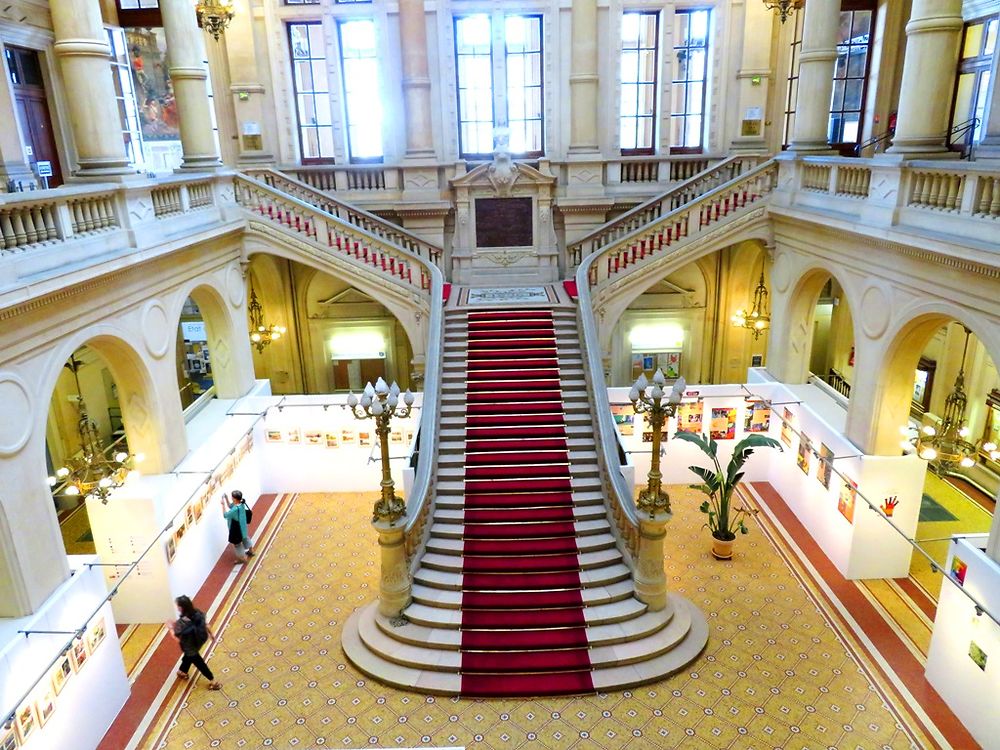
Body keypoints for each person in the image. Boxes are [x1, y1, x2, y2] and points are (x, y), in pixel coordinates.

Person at [167, 595, 221, 690]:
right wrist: (212, 635)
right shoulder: (198, 613)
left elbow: (177, 638)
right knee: (188, 657)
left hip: (190, 646)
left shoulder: (181, 623)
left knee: (199, 663)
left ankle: (213, 681)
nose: (177, 607)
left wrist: (170, 627)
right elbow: (206, 625)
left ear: (181, 607)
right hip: (200, 640)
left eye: (177, 606)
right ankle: (182, 671)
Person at [221, 491, 250, 563]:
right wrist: (226, 498)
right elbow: (231, 505)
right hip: (242, 526)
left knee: (237, 544)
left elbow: (225, 515)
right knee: (245, 537)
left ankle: (242, 558)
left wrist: (223, 505)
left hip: (236, 529)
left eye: (232, 497)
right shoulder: (241, 504)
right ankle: (251, 550)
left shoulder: (234, 509)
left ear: (234, 499)